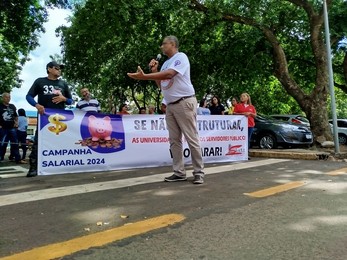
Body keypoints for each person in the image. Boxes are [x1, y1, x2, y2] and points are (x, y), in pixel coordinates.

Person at [127, 35, 204, 184]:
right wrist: (155, 70)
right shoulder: (164, 64)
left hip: (184, 102)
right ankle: (179, 172)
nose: (161, 47)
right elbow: (162, 85)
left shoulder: (181, 57)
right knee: (174, 141)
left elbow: (170, 74)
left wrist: (144, 76)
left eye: (164, 44)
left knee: (191, 138)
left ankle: (199, 172)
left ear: (173, 44)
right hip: (170, 105)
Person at [26, 61, 73, 177]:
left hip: (60, 118)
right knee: (38, 142)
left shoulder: (63, 83)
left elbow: (71, 101)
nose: (59, 70)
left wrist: (64, 99)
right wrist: (36, 105)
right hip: (44, 118)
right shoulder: (40, 81)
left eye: (60, 68)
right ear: (49, 69)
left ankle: (61, 165)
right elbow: (29, 96)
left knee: (61, 142)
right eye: (57, 68)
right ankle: (33, 167)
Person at [0, 93, 22, 164]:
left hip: (12, 128)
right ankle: (1, 157)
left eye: (9, 97)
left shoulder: (12, 106)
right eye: (6, 97)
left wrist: (16, 122)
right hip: (3, 128)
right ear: (3, 98)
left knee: (15, 143)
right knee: (2, 144)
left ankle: (17, 159)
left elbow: (16, 116)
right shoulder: (0, 106)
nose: (8, 98)